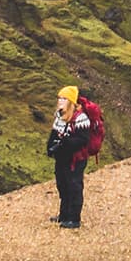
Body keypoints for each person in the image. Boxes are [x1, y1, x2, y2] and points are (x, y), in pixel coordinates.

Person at [47, 85, 104, 228]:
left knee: (74, 186)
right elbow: (54, 134)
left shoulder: (81, 118)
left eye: (64, 99)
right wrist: (50, 147)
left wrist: (64, 144)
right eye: (59, 98)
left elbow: (82, 140)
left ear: (71, 101)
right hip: (62, 158)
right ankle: (64, 214)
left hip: (75, 159)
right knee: (62, 185)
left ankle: (74, 218)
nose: (60, 101)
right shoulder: (60, 116)